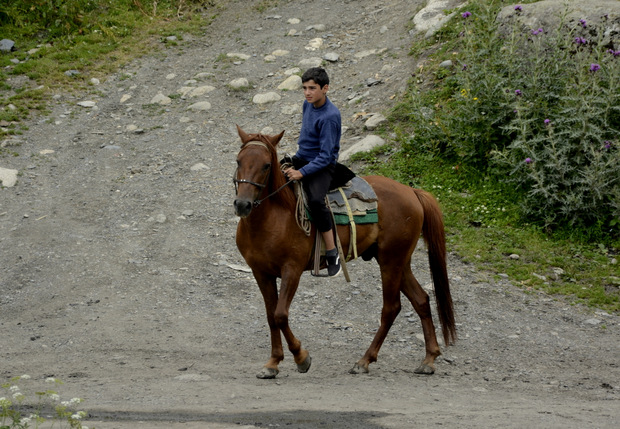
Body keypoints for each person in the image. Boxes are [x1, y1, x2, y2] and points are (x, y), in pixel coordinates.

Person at [284, 67, 342, 277]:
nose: (307, 92)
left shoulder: (330, 116)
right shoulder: (307, 105)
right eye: (304, 88)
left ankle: (332, 252)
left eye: (312, 88)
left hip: (323, 165)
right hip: (303, 157)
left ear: (325, 88)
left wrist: (302, 172)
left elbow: (326, 156)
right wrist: (295, 163)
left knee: (316, 201)